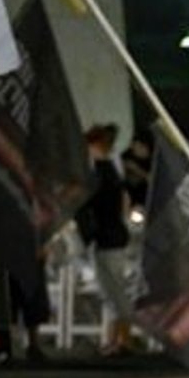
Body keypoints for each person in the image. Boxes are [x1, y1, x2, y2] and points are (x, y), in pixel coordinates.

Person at [75, 124, 136, 356]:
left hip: (105, 238)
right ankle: (115, 338)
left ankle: (124, 338)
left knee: (114, 290)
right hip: (112, 235)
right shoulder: (111, 171)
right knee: (111, 290)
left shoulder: (99, 173)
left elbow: (89, 204)